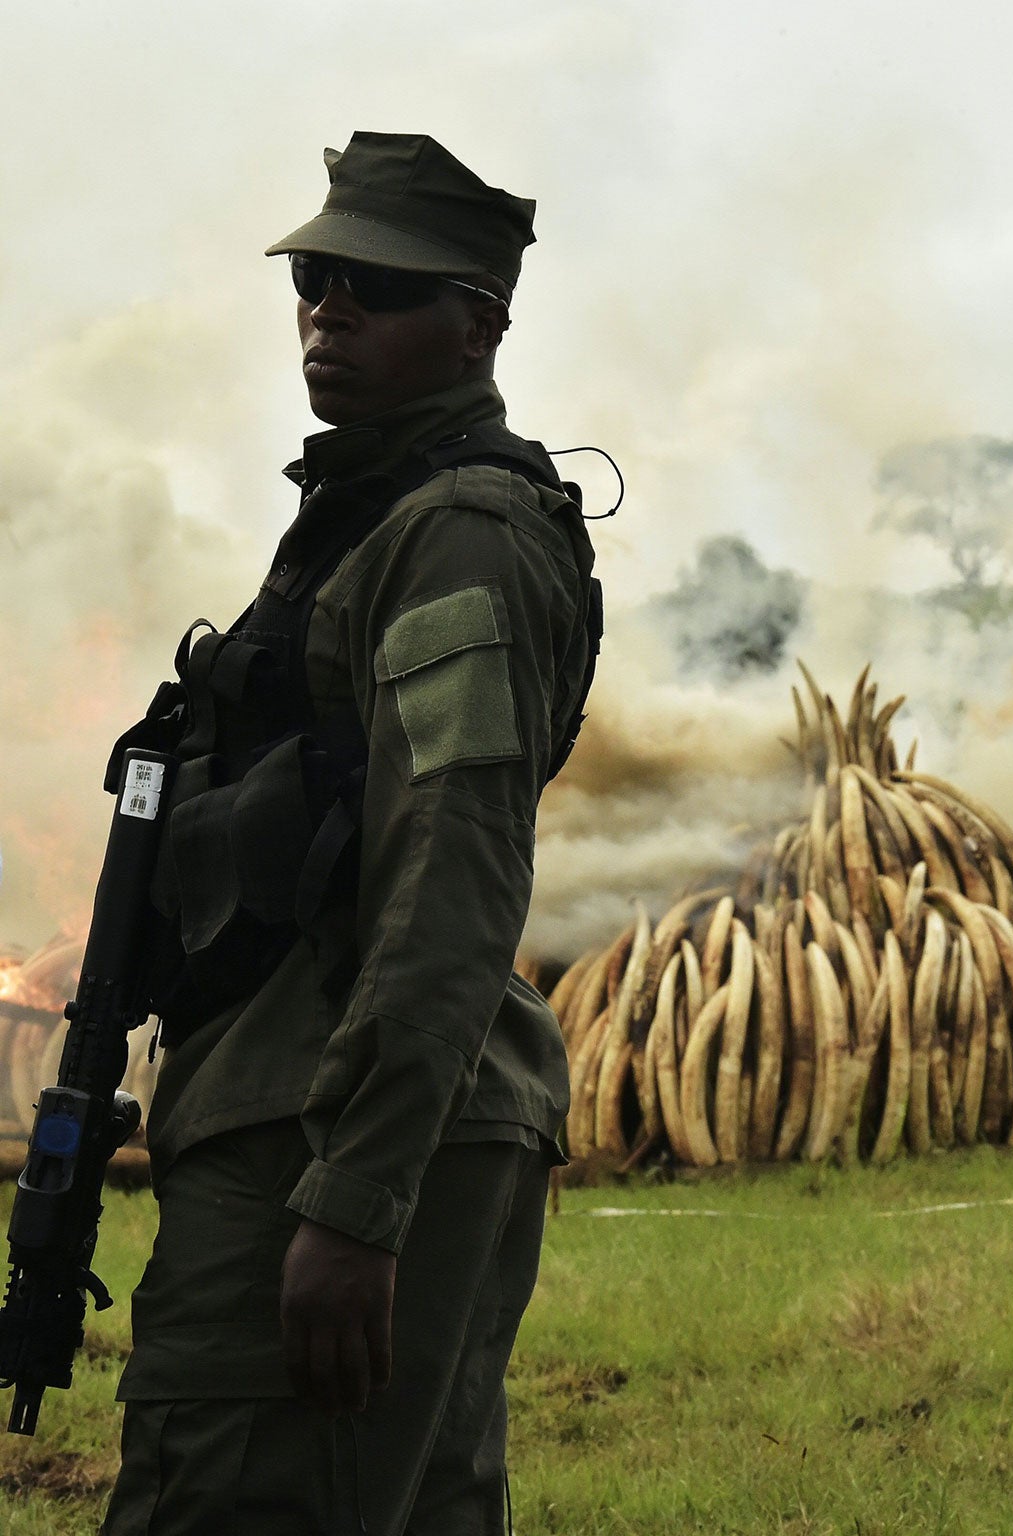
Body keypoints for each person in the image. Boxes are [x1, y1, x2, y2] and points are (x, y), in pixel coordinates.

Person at [101, 131, 600, 1534]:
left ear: (477, 325)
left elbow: (457, 865)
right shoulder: (370, 518)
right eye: (317, 278)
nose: (330, 309)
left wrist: (357, 1195)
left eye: (377, 288)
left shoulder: (459, 538)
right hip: (316, 1108)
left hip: (330, 1130)